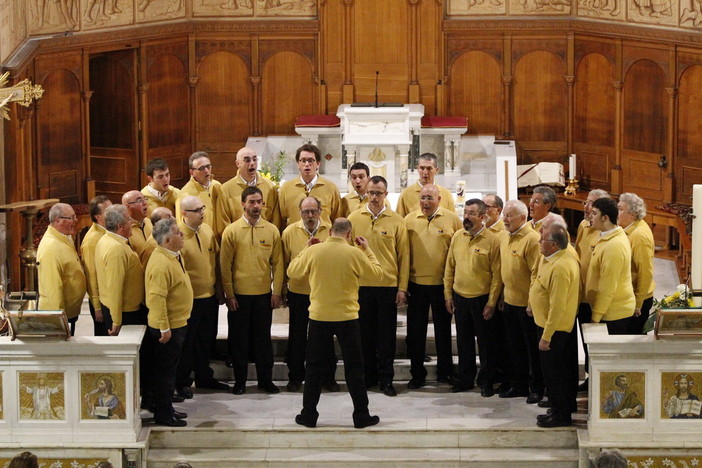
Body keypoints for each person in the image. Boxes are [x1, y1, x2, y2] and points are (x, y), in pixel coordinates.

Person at [288, 218, 383, 429]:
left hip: (319, 316)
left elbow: (292, 272)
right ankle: (361, 415)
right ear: (349, 234)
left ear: (330, 231)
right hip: (347, 317)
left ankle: (309, 415)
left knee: (313, 368)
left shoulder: (315, 251)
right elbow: (377, 275)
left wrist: (306, 248)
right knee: (354, 369)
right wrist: (367, 250)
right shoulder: (354, 253)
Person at [348, 175, 409, 396]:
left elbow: (404, 257)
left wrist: (402, 288)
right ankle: (368, 377)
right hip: (361, 287)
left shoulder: (396, 220)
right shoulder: (354, 218)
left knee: (386, 337)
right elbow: (347, 253)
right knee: (364, 335)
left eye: (378, 193)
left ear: (386, 194)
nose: (374, 197)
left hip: (387, 287)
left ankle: (386, 380)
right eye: (371, 193)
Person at [220, 186, 284, 395]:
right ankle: (240, 382)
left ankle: (265, 381)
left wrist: (276, 292)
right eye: (252, 202)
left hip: (263, 296)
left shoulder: (272, 230)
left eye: (259, 202)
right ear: (243, 204)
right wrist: (229, 294)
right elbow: (225, 265)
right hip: (239, 296)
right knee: (239, 341)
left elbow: (279, 264)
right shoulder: (232, 231)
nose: (256, 206)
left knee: (263, 341)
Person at [404, 184, 462, 389]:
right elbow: (404, 254)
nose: (425, 202)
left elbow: (458, 252)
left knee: (444, 331)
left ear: (439, 199)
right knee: (415, 332)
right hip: (416, 284)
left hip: (441, 285)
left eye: (430, 198)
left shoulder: (452, 219)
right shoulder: (409, 220)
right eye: (422, 198)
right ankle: (417, 373)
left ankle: (445, 372)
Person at [95, 205, 153, 408]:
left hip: (124, 310)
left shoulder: (110, 240)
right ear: (120, 226)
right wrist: (117, 321)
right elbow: (115, 287)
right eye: (129, 220)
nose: (132, 223)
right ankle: (136, 402)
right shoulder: (116, 249)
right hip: (125, 314)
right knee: (135, 361)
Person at [444, 199, 502, 396]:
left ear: (482, 217)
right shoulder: (458, 237)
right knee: (464, 342)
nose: (466, 217)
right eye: (465, 212)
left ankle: (486, 381)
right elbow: (449, 267)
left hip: (481, 299)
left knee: (486, 344)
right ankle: (465, 379)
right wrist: (448, 295)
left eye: (471, 213)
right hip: (460, 297)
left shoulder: (493, 240)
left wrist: (492, 302)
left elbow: (497, 275)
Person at [175, 196, 230, 397]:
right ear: (184, 214)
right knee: (188, 343)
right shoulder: (178, 236)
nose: (202, 212)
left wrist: (219, 286)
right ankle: (182, 381)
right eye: (197, 210)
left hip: (209, 296)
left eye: (202, 208)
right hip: (190, 300)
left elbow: (215, 260)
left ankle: (205, 376)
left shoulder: (206, 230)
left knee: (206, 339)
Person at [281, 196, 336, 392]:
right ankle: (295, 377)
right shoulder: (289, 232)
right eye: (305, 212)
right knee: (297, 336)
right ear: (300, 213)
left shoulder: (331, 231)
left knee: (325, 338)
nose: (310, 216)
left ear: (320, 211)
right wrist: (281, 290)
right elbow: (284, 263)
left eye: (313, 211)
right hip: (298, 292)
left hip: (323, 293)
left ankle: (328, 377)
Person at [530, 224, 580, 428]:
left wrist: (546, 336)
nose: (539, 242)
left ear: (554, 245)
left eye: (542, 240)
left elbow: (558, 306)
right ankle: (561, 407)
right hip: (554, 326)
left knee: (555, 375)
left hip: (555, 329)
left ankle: (561, 415)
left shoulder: (560, 267)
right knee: (559, 373)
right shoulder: (554, 259)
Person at [145, 218, 193, 427]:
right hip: (168, 328)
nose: (181, 234)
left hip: (177, 322)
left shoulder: (172, 256)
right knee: (164, 373)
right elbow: (156, 298)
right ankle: (163, 414)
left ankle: (168, 408)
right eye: (177, 232)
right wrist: (164, 327)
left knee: (170, 371)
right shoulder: (161, 263)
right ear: (166, 240)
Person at [498, 200, 544, 404]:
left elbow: (537, 274)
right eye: (504, 215)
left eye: (509, 216)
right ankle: (519, 385)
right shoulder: (504, 235)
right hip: (509, 301)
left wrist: (532, 303)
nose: (504, 219)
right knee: (513, 347)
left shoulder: (532, 239)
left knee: (531, 350)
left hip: (527, 306)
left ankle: (536, 388)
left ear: (523, 218)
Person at [574, 189, 609, 391]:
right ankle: (589, 377)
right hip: (583, 296)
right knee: (586, 342)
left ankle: (599, 381)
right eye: (586, 203)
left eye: (592, 204)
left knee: (598, 344)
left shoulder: (606, 233)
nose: (587, 208)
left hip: (598, 299)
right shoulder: (583, 225)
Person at [586, 197, 636, 334]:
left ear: (605, 218)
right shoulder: (608, 236)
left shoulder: (614, 246)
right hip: (607, 309)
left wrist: (595, 317)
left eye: (595, 213)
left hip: (613, 313)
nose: (591, 216)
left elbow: (607, 286)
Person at [36, 202, 86, 336]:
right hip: (60, 317)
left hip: (69, 313)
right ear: (58, 221)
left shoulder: (62, 237)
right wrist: (59, 323)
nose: (76, 220)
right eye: (72, 217)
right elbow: (52, 289)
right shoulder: (51, 248)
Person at [216, 147, 280, 236]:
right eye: (247, 160)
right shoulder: (226, 189)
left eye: (254, 159)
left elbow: (275, 219)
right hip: (238, 241)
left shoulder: (269, 186)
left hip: (264, 241)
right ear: (237, 163)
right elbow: (223, 223)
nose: (252, 163)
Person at [617, 192, 655, 334]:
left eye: (620, 209)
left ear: (632, 214)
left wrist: (637, 304)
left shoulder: (639, 236)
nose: (616, 212)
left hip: (638, 300)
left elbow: (645, 273)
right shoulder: (628, 228)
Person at [278, 143, 340, 229]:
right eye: (303, 160)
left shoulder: (331, 188)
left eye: (310, 160)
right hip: (295, 238)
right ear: (298, 164)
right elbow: (281, 220)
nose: (307, 164)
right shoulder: (286, 188)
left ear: (318, 164)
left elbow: (337, 219)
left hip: (323, 239)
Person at [81, 195, 113, 336]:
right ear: (98, 216)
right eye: (108, 210)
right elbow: (91, 275)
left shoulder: (109, 231)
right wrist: (97, 307)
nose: (112, 212)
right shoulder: (91, 241)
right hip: (101, 301)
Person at [396, 153, 455, 217]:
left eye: (429, 168)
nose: (425, 172)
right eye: (422, 168)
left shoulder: (446, 194)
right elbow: (399, 221)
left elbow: (453, 221)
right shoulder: (406, 195)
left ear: (436, 170)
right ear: (417, 169)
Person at [176, 151, 222, 230]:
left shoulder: (217, 186)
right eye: (201, 168)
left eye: (208, 166)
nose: (206, 171)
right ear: (192, 172)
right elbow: (182, 226)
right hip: (202, 238)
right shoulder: (185, 195)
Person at [122, 190, 153, 257]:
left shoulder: (148, 221)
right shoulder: (124, 230)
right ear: (127, 206)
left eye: (145, 199)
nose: (145, 203)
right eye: (139, 201)